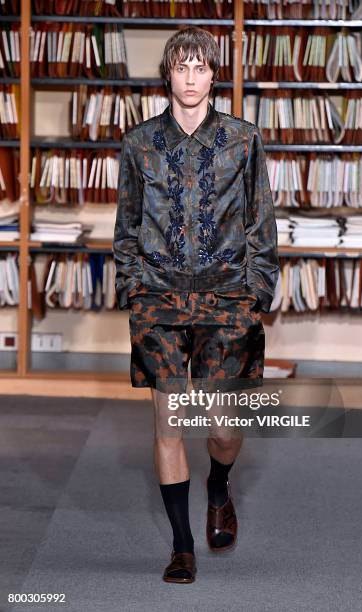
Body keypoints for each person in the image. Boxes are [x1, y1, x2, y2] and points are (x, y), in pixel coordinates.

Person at [113, 26, 279, 584]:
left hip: (227, 297)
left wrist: (257, 292)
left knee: (223, 425)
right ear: (168, 74)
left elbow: (262, 223)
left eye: (199, 68)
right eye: (180, 67)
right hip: (157, 299)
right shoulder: (138, 144)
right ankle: (182, 546)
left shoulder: (243, 139)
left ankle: (219, 485)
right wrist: (133, 290)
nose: (189, 78)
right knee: (168, 422)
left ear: (213, 74)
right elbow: (126, 229)